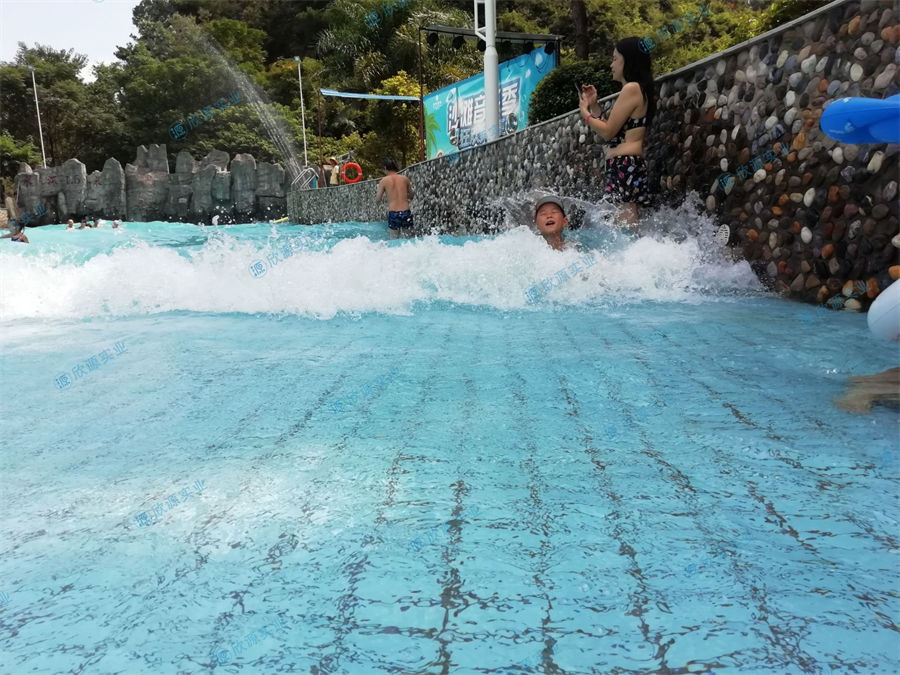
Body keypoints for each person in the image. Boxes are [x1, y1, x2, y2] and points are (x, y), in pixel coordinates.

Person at [579, 37, 656, 231]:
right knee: (621, 223)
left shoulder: (632, 88)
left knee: (627, 224)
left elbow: (607, 132)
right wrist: (594, 105)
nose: (611, 64)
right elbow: (613, 130)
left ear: (627, 60)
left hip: (627, 164)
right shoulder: (635, 89)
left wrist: (585, 113)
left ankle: (635, 259)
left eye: (615, 58)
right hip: (625, 164)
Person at [375, 158, 414, 239]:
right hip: (406, 212)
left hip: (394, 213)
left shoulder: (384, 181)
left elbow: (378, 199)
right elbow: (411, 196)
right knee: (409, 240)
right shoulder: (405, 178)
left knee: (394, 240)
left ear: (385, 168)